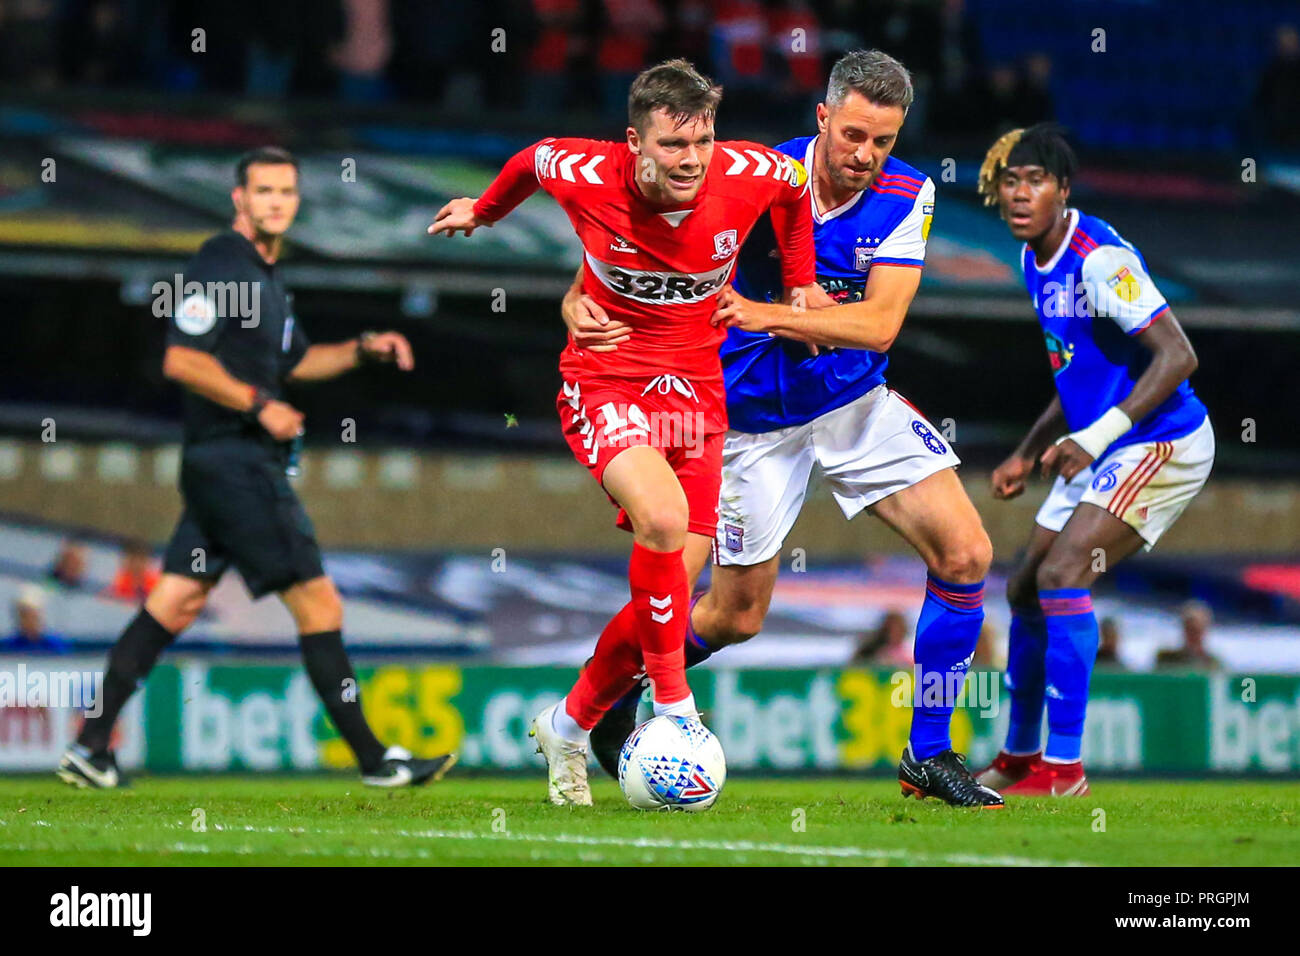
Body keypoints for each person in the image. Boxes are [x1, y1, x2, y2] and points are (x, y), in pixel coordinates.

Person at [569, 50, 1001, 808]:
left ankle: (928, 754)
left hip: (851, 402)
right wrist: (578, 299)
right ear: (822, 118)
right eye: (854, 135)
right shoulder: (750, 177)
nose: (866, 156)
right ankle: (606, 700)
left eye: (884, 141)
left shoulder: (909, 195)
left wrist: (771, 313)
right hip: (744, 422)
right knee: (735, 614)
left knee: (967, 553)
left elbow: (880, 325)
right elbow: (627, 239)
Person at [430, 58, 820, 806]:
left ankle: (569, 725)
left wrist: (800, 279)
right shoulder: (586, 170)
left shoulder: (750, 170)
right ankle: (675, 710)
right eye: (674, 145)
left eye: (702, 140)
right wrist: (483, 211)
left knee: (672, 582)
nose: (693, 160)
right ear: (634, 142)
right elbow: (528, 161)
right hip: (607, 378)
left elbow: (796, 193)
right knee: (664, 520)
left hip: (699, 390)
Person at [58, 147, 454, 791]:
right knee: (319, 602)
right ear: (238, 198)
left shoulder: (268, 281)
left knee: (176, 601)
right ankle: (377, 760)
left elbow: (296, 363)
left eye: (286, 192)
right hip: (238, 466)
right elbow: (183, 360)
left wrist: (361, 349)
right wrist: (260, 404)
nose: (276, 201)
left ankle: (90, 746)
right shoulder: (221, 264)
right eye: (263, 190)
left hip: (220, 469)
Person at [975, 124, 1214, 797]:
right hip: (1105, 443)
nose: (1020, 196)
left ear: (1063, 190)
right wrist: (1028, 451)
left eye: (1035, 181)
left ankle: (1066, 769)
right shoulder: (1031, 260)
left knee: (1063, 571)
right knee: (1023, 590)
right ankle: (1020, 757)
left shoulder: (1097, 258)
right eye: (1009, 183)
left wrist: (1096, 434)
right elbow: (1076, 372)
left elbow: (1178, 355)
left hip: (1163, 438)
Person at [2, 586, 71, 654]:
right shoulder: (7, 645)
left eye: (33, 616)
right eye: (24, 616)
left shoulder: (56, 645)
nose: (29, 621)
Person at [1155, 601, 1220, 671]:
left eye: (1197, 630)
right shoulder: (1166, 659)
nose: (1194, 635)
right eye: (1190, 629)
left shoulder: (1214, 665)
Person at [103, 538, 161, 603]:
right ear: (124, 560)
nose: (136, 564)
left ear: (148, 561)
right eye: (132, 560)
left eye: (141, 559)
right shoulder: (120, 581)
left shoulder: (157, 584)